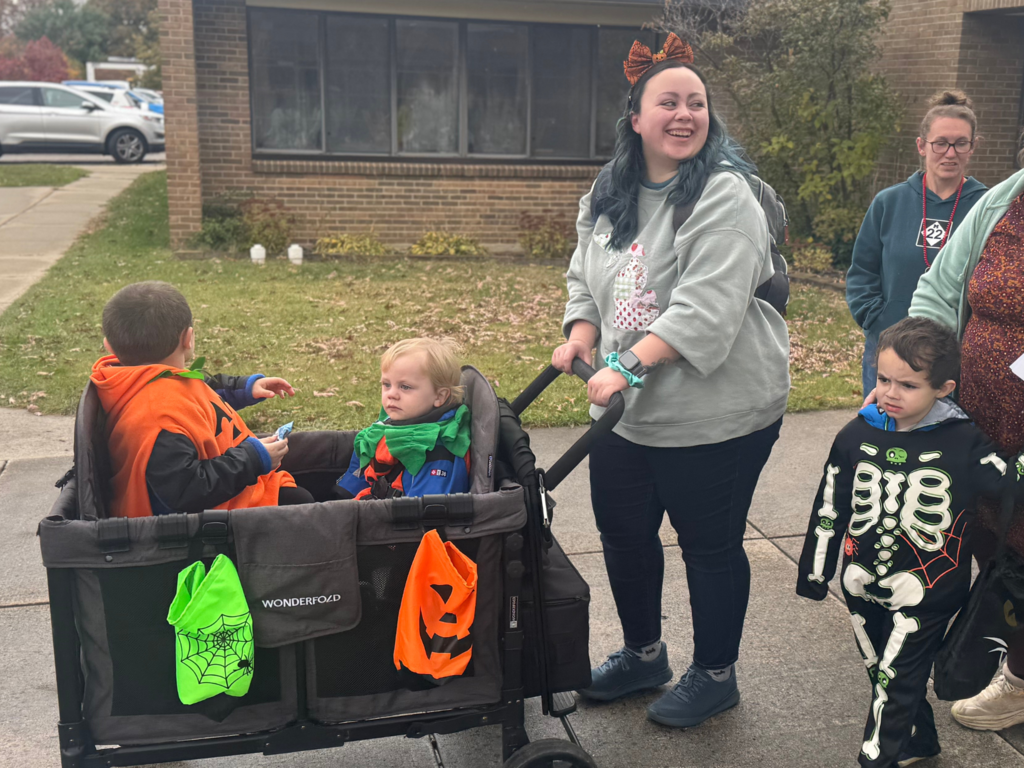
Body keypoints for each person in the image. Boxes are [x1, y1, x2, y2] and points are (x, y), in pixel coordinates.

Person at [550, 33, 789, 728]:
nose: (685, 115)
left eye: (697, 103)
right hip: (630, 412)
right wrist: (581, 336)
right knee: (624, 533)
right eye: (669, 102)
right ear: (636, 118)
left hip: (721, 410)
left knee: (709, 544)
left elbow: (705, 311)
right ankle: (643, 653)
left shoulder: (724, 196)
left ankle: (716, 673)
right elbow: (584, 276)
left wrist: (625, 364)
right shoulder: (608, 191)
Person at [798, 317, 1016, 768]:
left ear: (943, 388)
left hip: (929, 587)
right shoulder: (855, 434)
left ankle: (877, 757)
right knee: (880, 668)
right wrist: (816, 572)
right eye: (883, 380)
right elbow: (830, 504)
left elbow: (1009, 480)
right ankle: (918, 741)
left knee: (895, 677)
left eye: (908, 385)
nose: (890, 393)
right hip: (859, 580)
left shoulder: (964, 443)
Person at [907, 139, 1024, 732]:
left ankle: (1020, 682)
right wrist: (918, 373)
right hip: (980, 421)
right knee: (991, 541)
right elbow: (939, 286)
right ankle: (1007, 644)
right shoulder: (1005, 200)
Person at [91, 281, 313, 518]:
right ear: (188, 339)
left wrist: (245, 388)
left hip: (238, 489)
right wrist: (252, 458)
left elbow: (200, 397)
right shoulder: (155, 419)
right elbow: (186, 490)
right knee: (305, 506)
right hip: (213, 525)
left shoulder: (155, 382)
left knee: (302, 498)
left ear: (108, 346)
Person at [846, 91, 987, 397]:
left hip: (954, 358)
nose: (950, 153)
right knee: (887, 434)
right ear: (922, 146)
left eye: (960, 143)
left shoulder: (987, 210)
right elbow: (862, 272)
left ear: (973, 147)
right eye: (940, 143)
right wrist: (879, 321)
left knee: (945, 440)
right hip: (890, 350)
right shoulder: (889, 202)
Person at [335, 338, 471, 500]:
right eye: (386, 384)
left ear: (440, 396)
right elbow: (356, 481)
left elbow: (424, 514)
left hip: (392, 520)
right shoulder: (389, 427)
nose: (391, 394)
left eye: (405, 387)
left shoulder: (436, 452)